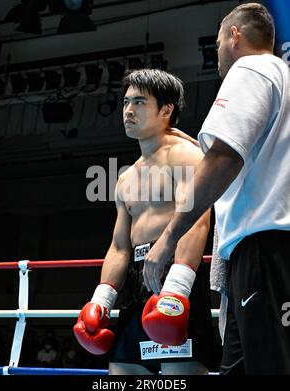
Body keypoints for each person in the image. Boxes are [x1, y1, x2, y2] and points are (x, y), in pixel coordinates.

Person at [143, 3, 290, 374]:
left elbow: (224, 158)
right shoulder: (282, 78)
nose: (218, 54)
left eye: (219, 41)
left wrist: (169, 237)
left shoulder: (251, 68)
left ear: (234, 36)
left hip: (265, 248)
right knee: (240, 366)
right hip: (269, 249)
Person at [73, 68, 216, 375]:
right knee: (121, 373)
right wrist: (102, 299)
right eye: (126, 102)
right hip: (135, 289)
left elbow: (198, 222)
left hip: (174, 274)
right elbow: (119, 246)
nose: (128, 110)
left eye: (139, 102)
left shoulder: (187, 156)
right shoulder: (125, 178)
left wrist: (177, 289)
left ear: (166, 109)